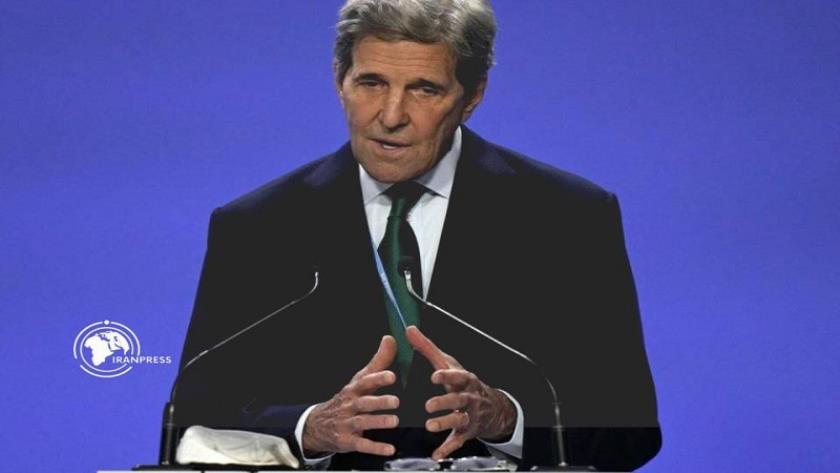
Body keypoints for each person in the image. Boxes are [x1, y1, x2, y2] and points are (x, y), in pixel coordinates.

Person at [175, 0, 662, 470]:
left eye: (424, 89)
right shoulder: (258, 227)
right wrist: (309, 428)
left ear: (472, 96)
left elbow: (631, 430)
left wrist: (508, 420)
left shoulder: (567, 218)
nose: (391, 116)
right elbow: (192, 421)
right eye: (371, 82)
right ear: (339, 79)